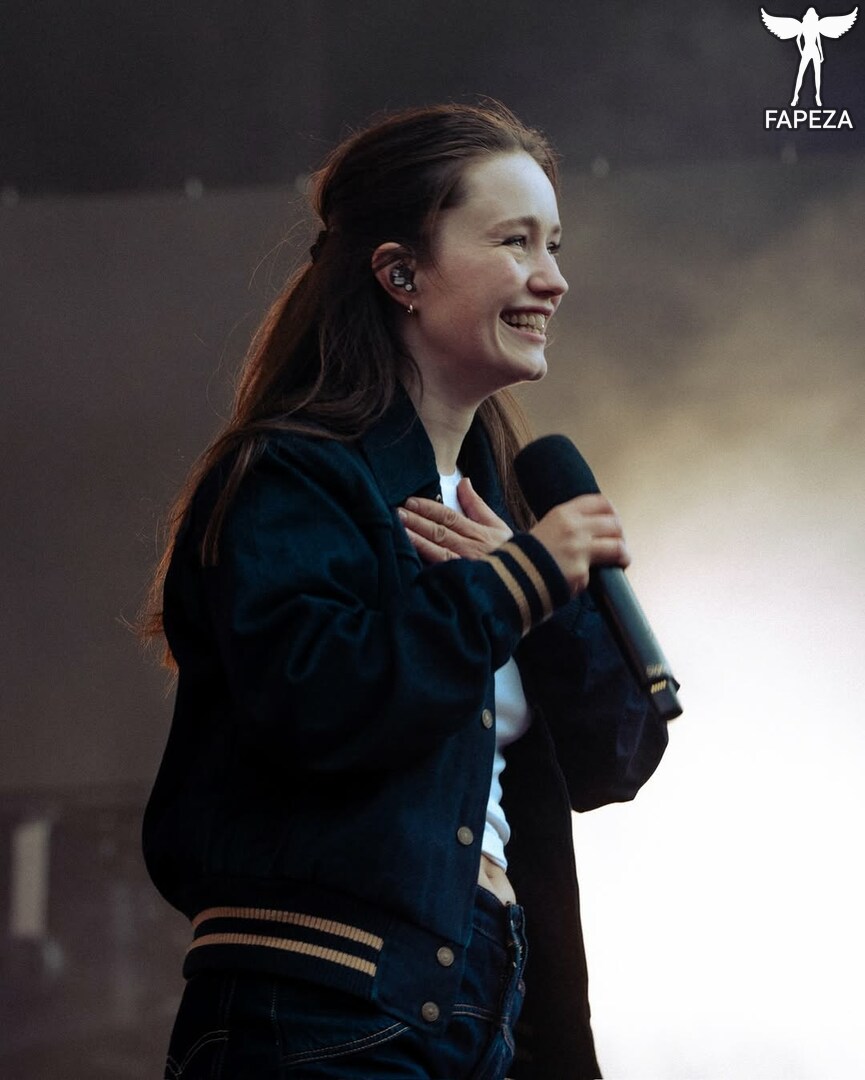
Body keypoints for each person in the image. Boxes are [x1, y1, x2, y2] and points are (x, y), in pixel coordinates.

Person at [141, 101, 669, 1080]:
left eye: (553, 246)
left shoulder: (503, 511)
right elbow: (315, 699)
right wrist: (514, 583)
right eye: (514, 242)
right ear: (400, 273)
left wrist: (536, 592)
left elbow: (616, 757)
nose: (552, 279)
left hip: (490, 1006)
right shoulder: (293, 473)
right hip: (325, 999)